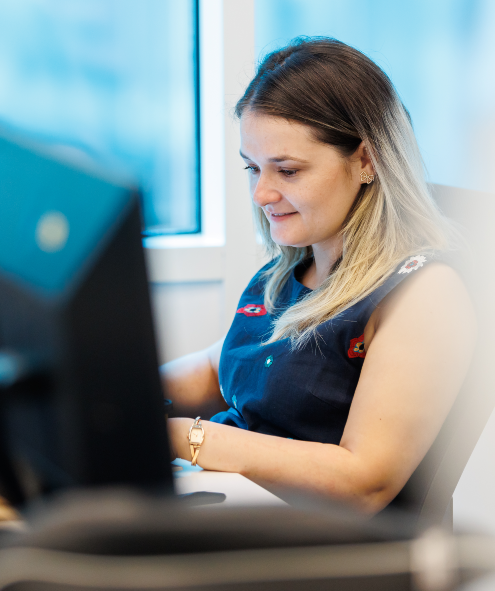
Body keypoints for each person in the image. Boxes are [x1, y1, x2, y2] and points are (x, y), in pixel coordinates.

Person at [161, 37, 477, 514]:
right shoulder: (293, 266)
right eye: (253, 168)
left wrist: (191, 439)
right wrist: (117, 392)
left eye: (287, 171)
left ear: (367, 160)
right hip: (240, 504)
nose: (261, 194)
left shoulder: (424, 293)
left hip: (316, 538)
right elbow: (219, 368)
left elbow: (364, 481)